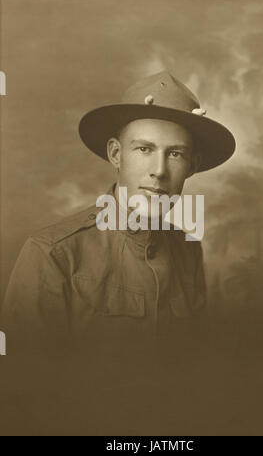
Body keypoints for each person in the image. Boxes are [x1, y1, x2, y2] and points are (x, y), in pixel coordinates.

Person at [1, 71, 235, 355]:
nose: (159, 171)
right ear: (115, 154)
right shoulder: (53, 253)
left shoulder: (188, 251)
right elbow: (26, 386)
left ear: (192, 166)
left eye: (175, 154)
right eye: (144, 149)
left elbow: (195, 371)